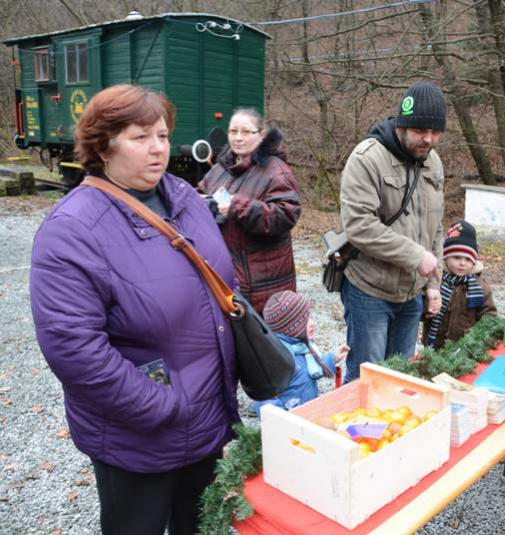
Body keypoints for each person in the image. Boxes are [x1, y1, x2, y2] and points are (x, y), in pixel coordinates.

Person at [28, 85, 239, 534]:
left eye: (162, 135)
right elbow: (73, 349)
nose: (158, 148)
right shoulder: (72, 228)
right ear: (103, 145)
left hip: (208, 420)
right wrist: (164, 406)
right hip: (139, 434)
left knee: (202, 527)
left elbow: (222, 280)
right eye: (141, 137)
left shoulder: (183, 197)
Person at [339, 81, 447, 383]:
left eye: (435, 132)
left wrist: (432, 283)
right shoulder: (367, 158)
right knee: (366, 379)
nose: (429, 139)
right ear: (402, 124)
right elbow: (359, 225)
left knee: (401, 378)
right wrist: (416, 256)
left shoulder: (433, 162)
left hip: (411, 295)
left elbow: (435, 224)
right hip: (369, 291)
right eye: (420, 131)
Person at [198, 107, 301, 314]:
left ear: (261, 135)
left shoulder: (276, 170)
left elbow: (286, 214)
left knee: (264, 344)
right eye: (233, 131)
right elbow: (201, 191)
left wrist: (239, 207)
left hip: (264, 286)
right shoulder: (220, 169)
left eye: (246, 132)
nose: (238, 138)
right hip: (228, 277)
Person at [248, 291, 349, 416]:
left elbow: (310, 369)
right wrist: (280, 419)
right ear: (290, 327)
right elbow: (266, 398)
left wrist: (332, 359)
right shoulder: (277, 359)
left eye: (311, 317)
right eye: (305, 321)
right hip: (289, 419)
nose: (312, 323)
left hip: (305, 412)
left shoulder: (302, 346)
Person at [422, 220, 497, 349]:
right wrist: (427, 309)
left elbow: (489, 315)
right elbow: (420, 309)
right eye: (457, 257)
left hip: (464, 349)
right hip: (434, 346)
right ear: (445, 257)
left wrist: (479, 339)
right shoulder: (435, 281)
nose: (462, 263)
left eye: (468, 259)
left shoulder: (480, 287)